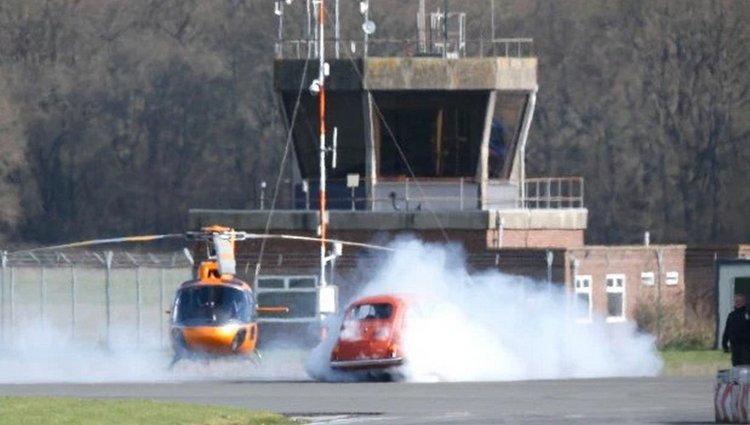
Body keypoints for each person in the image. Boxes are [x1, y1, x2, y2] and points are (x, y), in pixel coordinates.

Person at [722, 293, 750, 366]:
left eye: (740, 301)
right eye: (736, 301)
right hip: (734, 344)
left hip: (746, 344)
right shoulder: (731, 315)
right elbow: (727, 330)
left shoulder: (747, 314)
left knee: (745, 364)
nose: (738, 303)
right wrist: (724, 343)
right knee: (736, 364)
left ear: (744, 302)